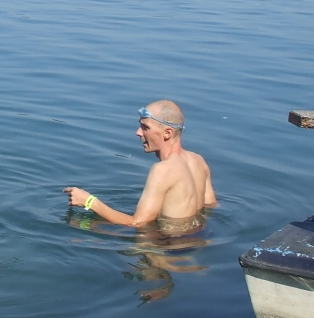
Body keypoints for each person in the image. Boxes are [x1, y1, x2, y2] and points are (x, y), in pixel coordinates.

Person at [65, 100, 216, 234]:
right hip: (196, 243)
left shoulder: (163, 170)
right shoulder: (198, 161)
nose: (138, 132)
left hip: (166, 250)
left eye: (145, 127)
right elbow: (211, 206)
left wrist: (89, 201)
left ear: (167, 133)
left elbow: (137, 223)